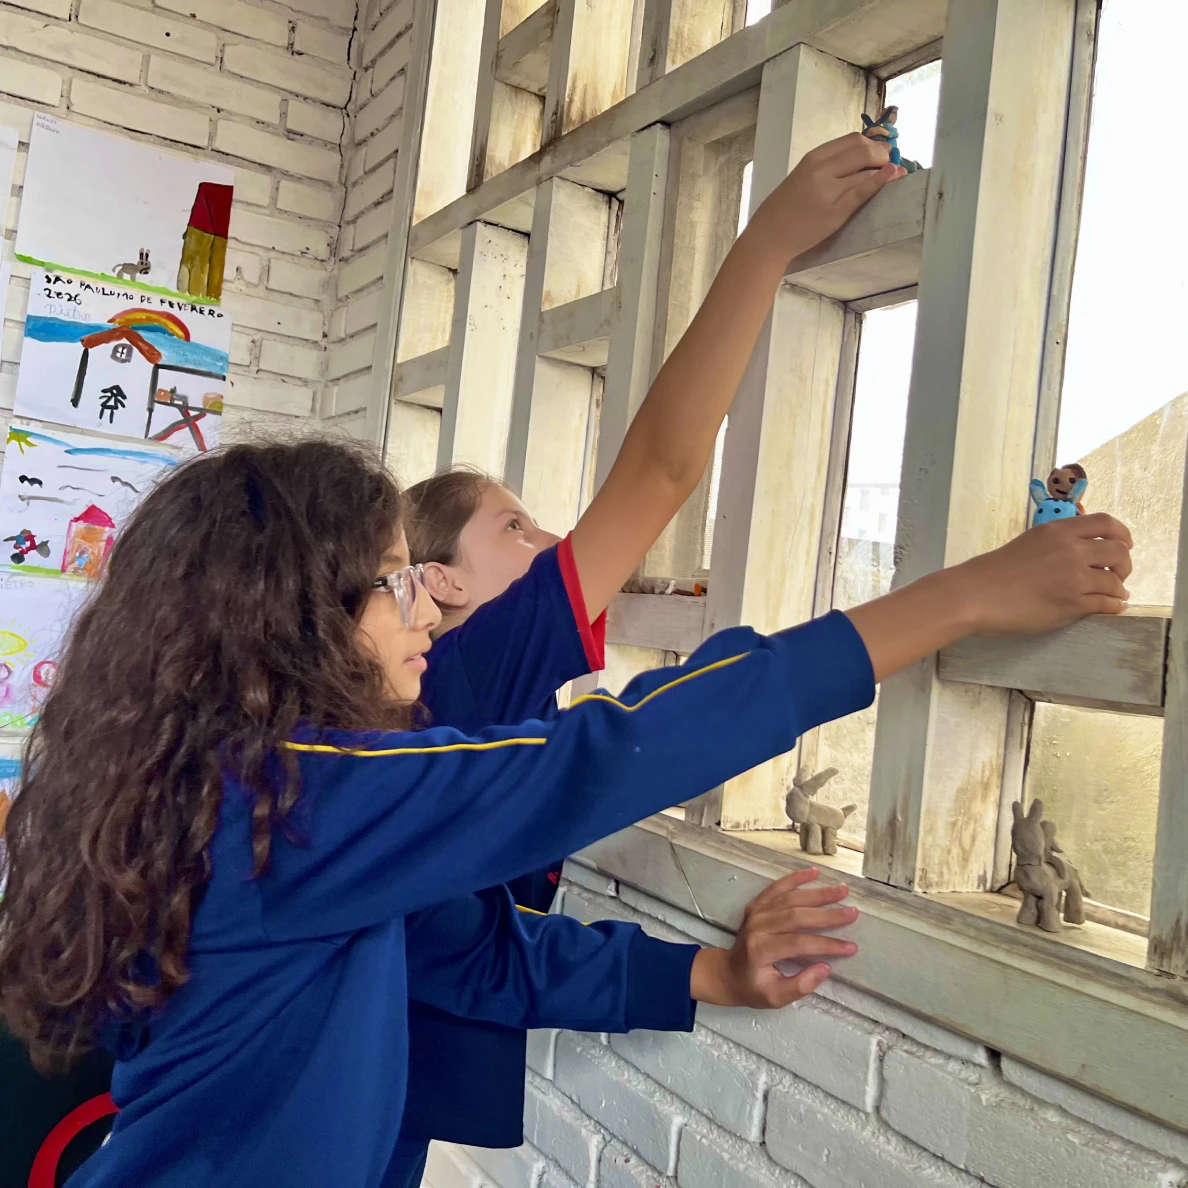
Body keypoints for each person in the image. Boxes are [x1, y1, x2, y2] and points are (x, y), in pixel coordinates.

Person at [0, 434, 1130, 1188]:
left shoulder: (218, 791)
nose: (423, 611)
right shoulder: (294, 802)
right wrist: (962, 599)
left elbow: (465, 951)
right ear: (288, 613)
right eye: (394, 581)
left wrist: (708, 975)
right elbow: (604, 754)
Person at [394, 130, 918, 1178]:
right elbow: (662, 471)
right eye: (514, 528)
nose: (550, 541)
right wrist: (764, 246)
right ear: (438, 580)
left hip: (391, 1081)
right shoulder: (470, 664)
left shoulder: (451, 710)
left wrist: (711, 974)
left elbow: (486, 948)